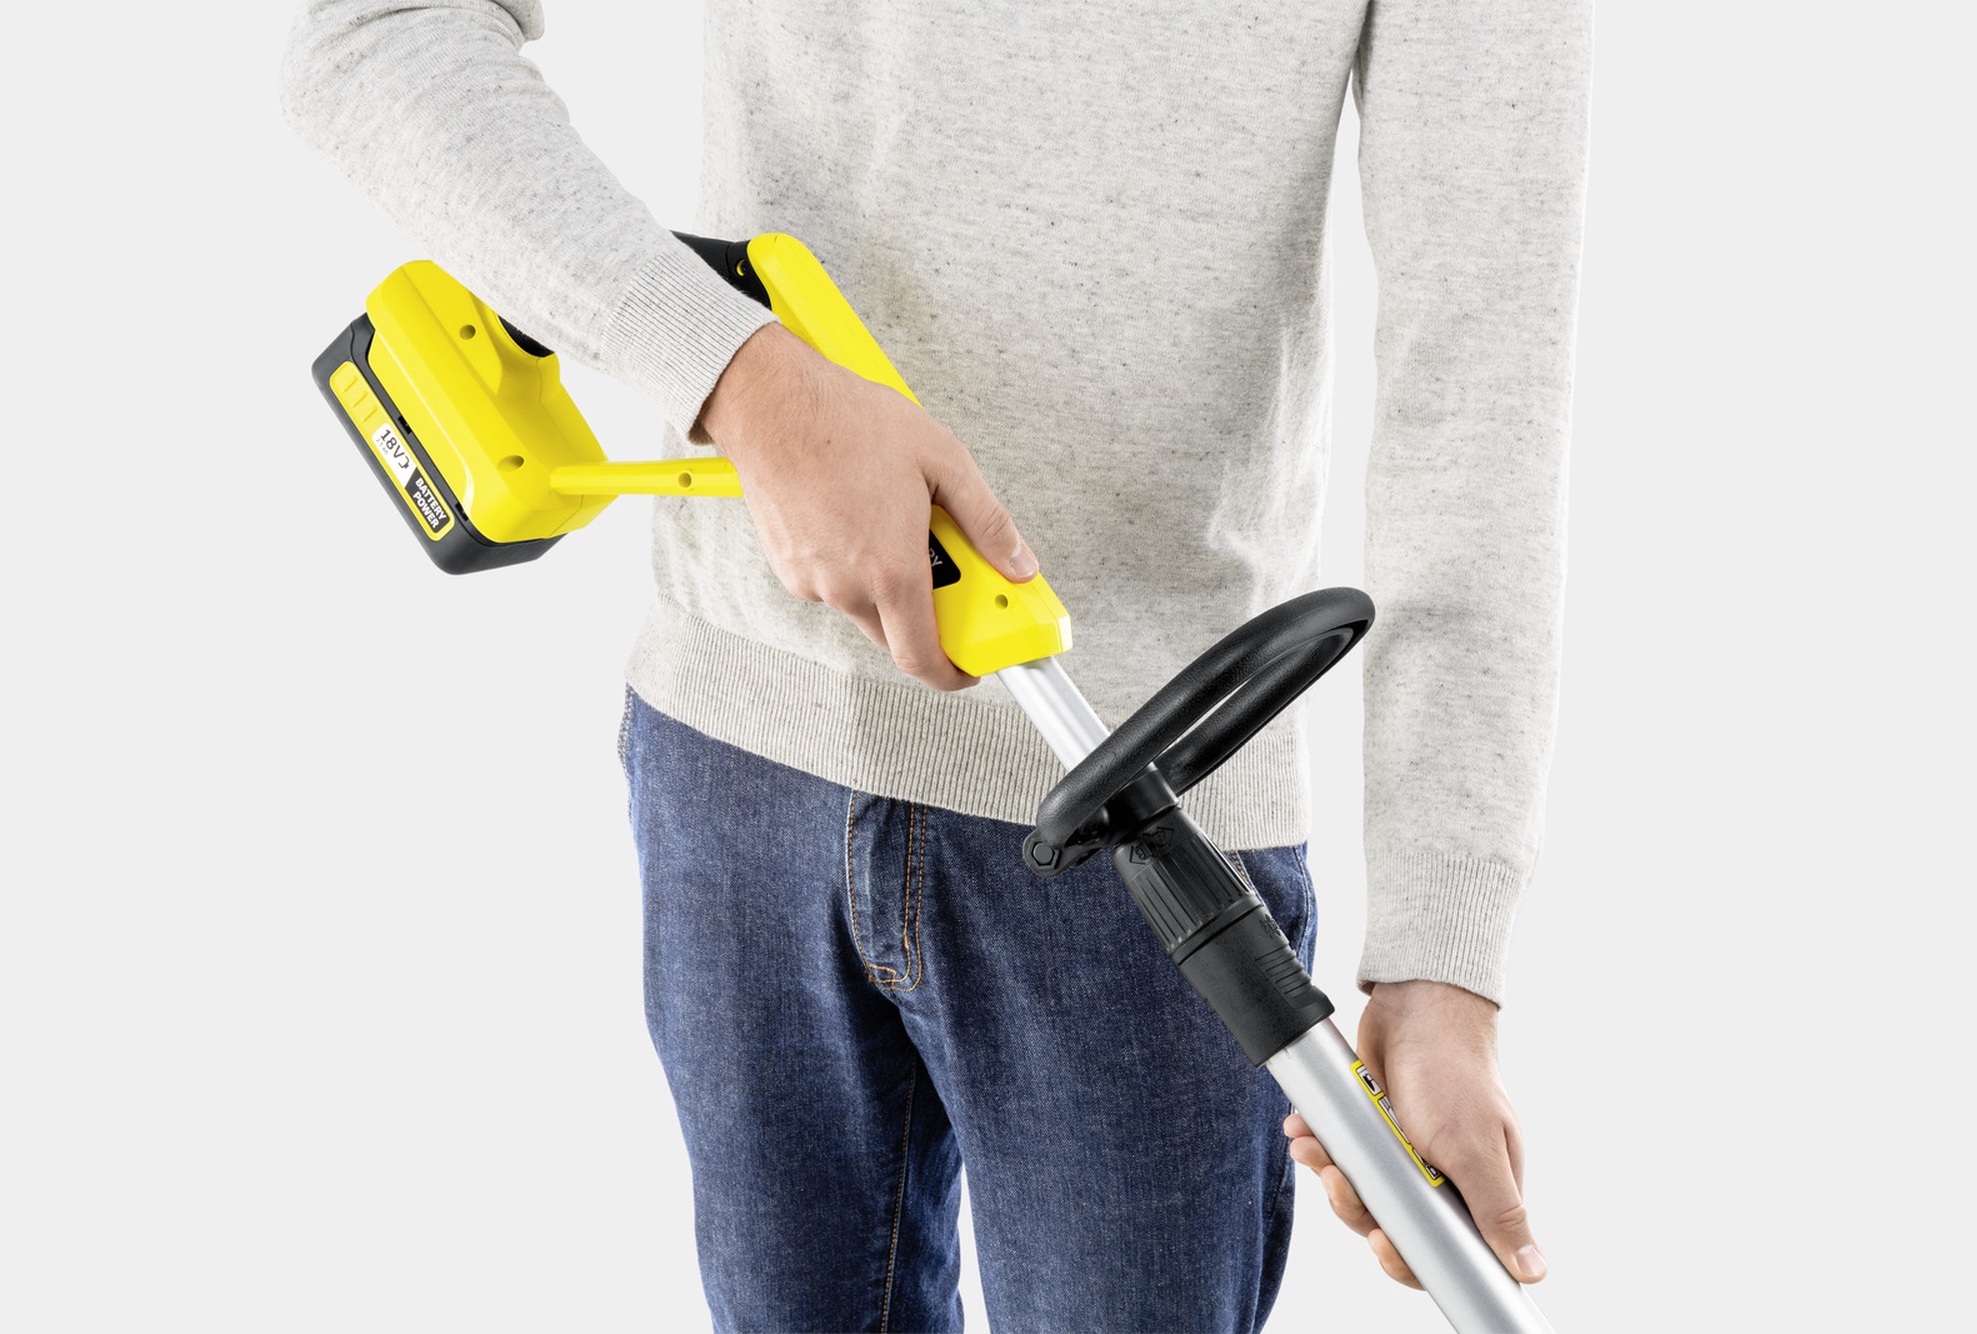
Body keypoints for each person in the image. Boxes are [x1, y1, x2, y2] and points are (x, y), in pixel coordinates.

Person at [283, 1, 1591, 1328]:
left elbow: (1480, 382)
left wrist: (1443, 965)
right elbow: (377, 31)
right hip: (742, 758)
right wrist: (740, 379)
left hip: (1153, 834)